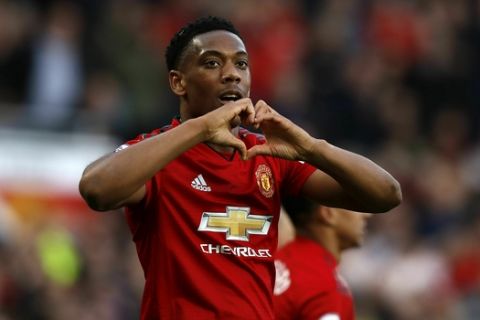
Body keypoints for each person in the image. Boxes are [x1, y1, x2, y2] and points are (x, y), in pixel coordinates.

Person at [78, 16, 402, 320]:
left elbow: (385, 195)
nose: (232, 73)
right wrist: (201, 129)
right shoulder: (157, 154)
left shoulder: (267, 154)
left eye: (242, 64)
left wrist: (311, 147)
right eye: (212, 63)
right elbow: (96, 190)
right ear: (178, 83)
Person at [274, 197, 371, 320]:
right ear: (327, 213)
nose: (367, 215)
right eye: (355, 205)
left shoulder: (276, 262)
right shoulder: (324, 283)